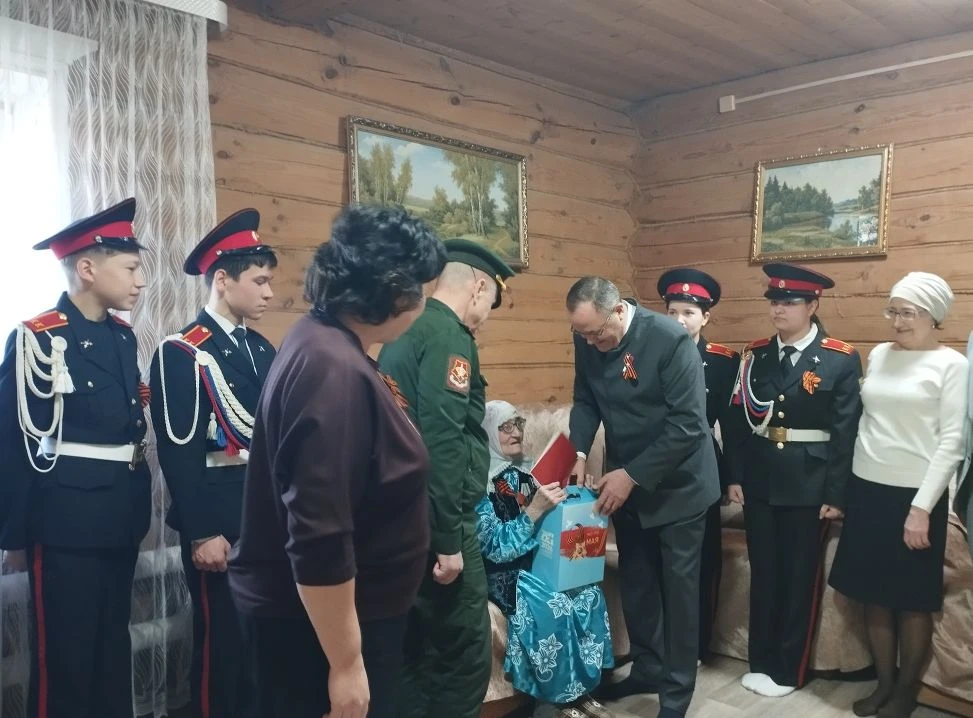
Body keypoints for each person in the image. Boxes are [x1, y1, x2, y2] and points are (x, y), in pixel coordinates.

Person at [226, 205, 446, 718]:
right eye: (422, 290)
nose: (424, 303)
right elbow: (318, 533)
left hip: (344, 618)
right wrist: (345, 664)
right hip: (321, 631)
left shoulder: (327, 340)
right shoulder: (331, 367)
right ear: (393, 293)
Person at [0, 198, 151, 718]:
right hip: (66, 519)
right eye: (130, 268)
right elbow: (13, 441)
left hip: (120, 514)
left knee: (112, 648)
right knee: (65, 658)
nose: (140, 281)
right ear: (87, 268)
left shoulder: (122, 337)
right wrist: (14, 535)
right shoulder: (38, 337)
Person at [565, 276, 720, 718]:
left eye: (596, 333)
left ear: (618, 311)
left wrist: (631, 476)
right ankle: (648, 668)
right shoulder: (588, 333)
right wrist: (579, 450)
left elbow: (688, 425)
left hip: (679, 487)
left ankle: (676, 694)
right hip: (624, 484)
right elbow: (586, 399)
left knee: (679, 594)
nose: (590, 343)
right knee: (638, 584)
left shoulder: (669, 339)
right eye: (582, 334)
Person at [378, 238, 515, 718]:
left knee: (415, 648)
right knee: (464, 651)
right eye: (490, 305)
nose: (485, 319)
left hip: (401, 514)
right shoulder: (449, 336)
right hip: (441, 519)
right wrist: (449, 539)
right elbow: (443, 441)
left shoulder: (406, 329)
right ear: (479, 288)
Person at [149, 208, 277, 718]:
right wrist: (202, 532)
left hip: (265, 518)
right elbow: (178, 451)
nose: (269, 293)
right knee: (223, 649)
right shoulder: (183, 352)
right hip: (219, 522)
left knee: (262, 646)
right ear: (222, 280)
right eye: (260, 281)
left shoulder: (262, 349)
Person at [829, 272, 967, 718]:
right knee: (873, 592)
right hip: (867, 488)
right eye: (893, 311)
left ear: (933, 316)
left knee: (911, 598)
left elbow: (952, 442)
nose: (897, 321)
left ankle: (906, 691)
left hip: (915, 496)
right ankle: (883, 685)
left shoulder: (953, 365)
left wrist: (921, 508)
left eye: (908, 312)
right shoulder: (880, 354)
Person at [724, 262, 862, 699]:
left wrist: (837, 494)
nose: (778, 310)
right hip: (761, 479)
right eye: (774, 301)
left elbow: (845, 434)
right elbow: (738, 421)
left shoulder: (839, 357)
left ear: (812, 305)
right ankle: (761, 662)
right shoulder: (755, 354)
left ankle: (787, 671)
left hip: (809, 484)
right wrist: (735, 476)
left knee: (798, 579)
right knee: (764, 574)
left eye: (789, 302)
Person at [475, 400, 615, 718]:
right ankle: (552, 702)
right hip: (503, 571)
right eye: (505, 426)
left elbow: (552, 519)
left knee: (588, 594)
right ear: (487, 432)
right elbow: (495, 548)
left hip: (538, 558)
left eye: (519, 423)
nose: (516, 432)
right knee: (553, 604)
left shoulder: (525, 473)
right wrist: (534, 510)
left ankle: (582, 692)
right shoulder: (479, 486)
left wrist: (578, 492)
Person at [656, 268, 738, 663]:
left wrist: (733, 477)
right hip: (656, 468)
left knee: (702, 562)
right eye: (672, 312)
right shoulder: (650, 352)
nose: (679, 321)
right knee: (659, 561)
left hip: (701, 466)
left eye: (688, 313)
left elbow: (733, 426)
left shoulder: (723, 361)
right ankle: (659, 646)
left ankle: (697, 647)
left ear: (706, 317)